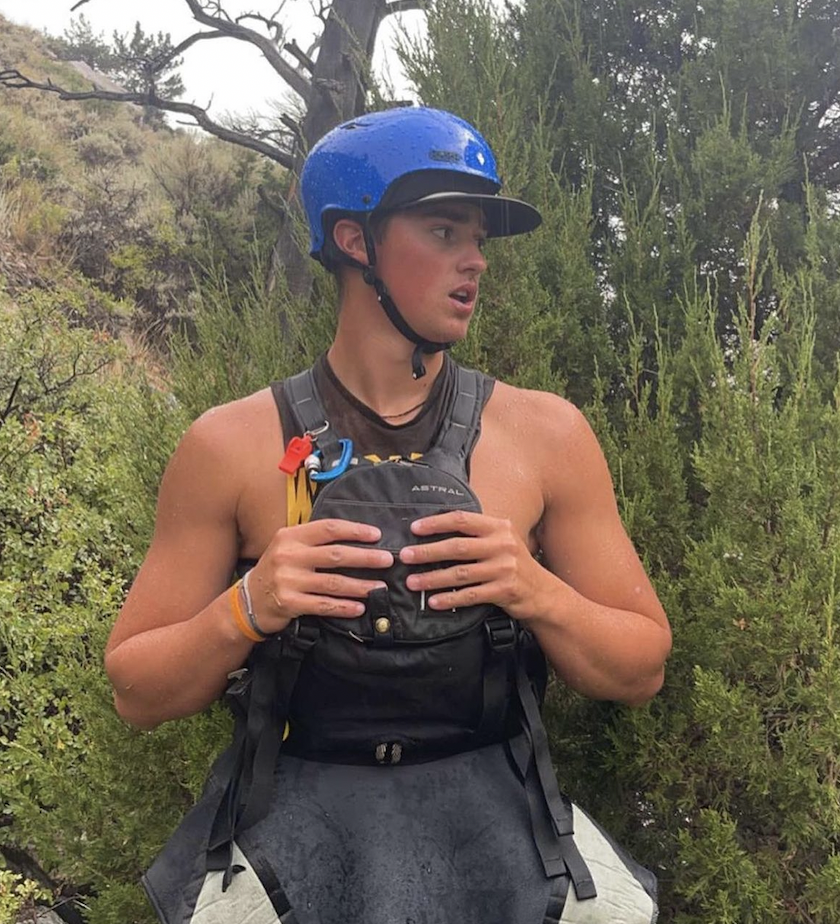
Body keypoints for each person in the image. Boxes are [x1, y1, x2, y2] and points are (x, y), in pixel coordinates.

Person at [105, 106, 672, 924]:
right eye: (444, 232)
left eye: (478, 238)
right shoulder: (228, 446)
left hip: (501, 818)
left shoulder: (547, 435)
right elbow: (136, 691)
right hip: (288, 821)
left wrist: (536, 590)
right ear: (353, 241)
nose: (475, 261)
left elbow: (642, 667)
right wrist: (248, 606)